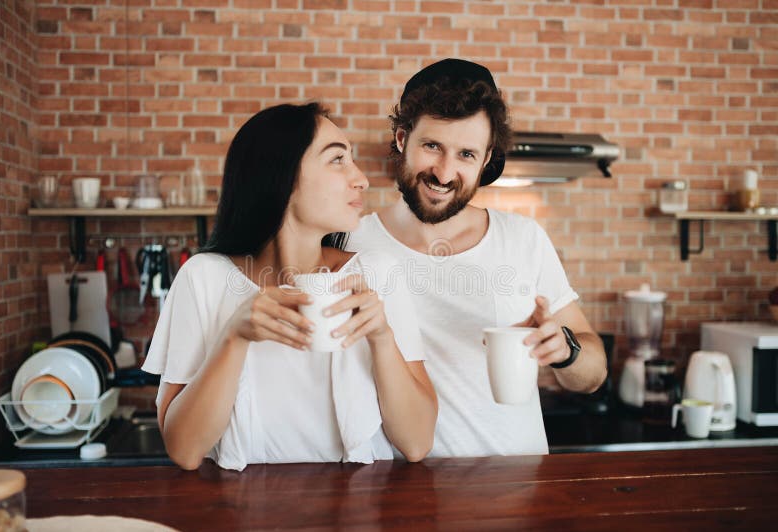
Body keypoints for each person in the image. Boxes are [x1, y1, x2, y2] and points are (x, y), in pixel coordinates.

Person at [142, 102, 438, 470]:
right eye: (337, 160)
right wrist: (234, 337)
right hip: (242, 516)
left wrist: (381, 337)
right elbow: (184, 451)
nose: (360, 178)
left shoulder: (376, 274)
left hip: (360, 512)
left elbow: (418, 442)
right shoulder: (203, 278)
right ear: (281, 176)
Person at [346, 59, 608, 457]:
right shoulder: (349, 241)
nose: (445, 172)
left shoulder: (522, 239)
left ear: (486, 161)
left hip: (515, 492)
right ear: (402, 139)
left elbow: (593, 375)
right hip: (397, 494)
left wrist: (565, 349)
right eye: (432, 146)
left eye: (466, 154)